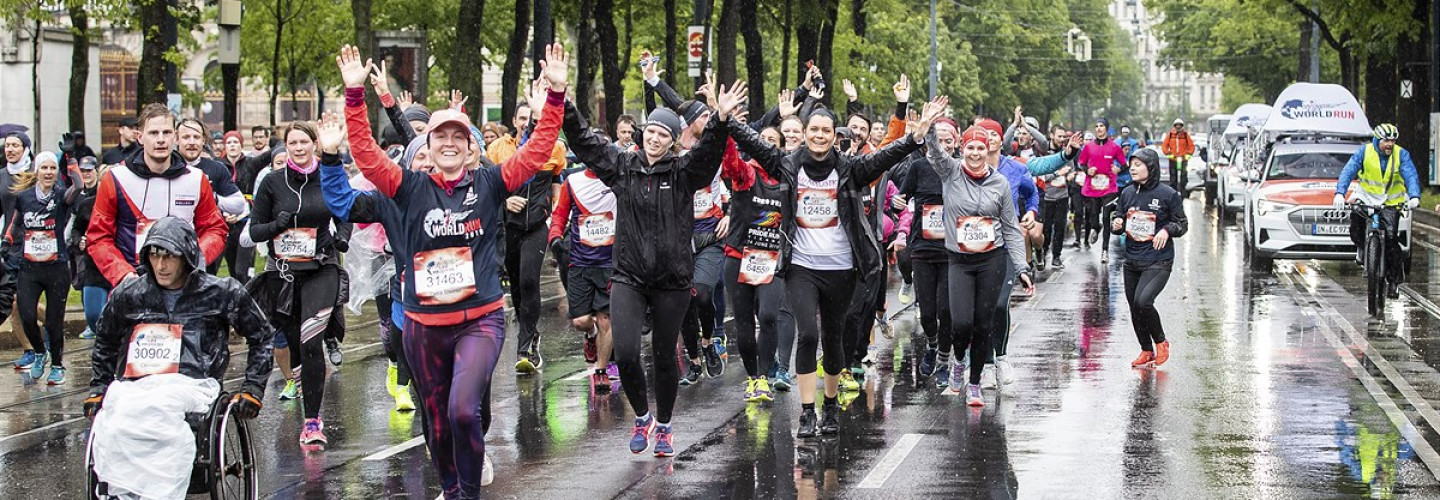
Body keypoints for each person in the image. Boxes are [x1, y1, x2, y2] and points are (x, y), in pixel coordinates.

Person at [337, 41, 568, 496]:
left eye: (456, 138)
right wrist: (353, 96)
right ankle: (453, 489)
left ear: (469, 150)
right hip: (424, 325)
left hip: (479, 320)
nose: (446, 144)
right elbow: (365, 154)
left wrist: (556, 97)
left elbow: (538, 151)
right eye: (438, 137)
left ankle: (470, 491)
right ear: (427, 145)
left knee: (464, 410)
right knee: (437, 421)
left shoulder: (489, 182)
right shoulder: (408, 187)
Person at [728, 79, 943, 437]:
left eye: (826, 130)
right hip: (801, 267)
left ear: (834, 136)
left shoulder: (849, 168)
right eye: (813, 129)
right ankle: (807, 411)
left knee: (833, 337)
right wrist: (727, 120)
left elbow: (884, 156)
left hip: (842, 268)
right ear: (804, 132)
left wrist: (913, 137)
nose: (819, 135)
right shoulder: (786, 164)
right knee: (807, 334)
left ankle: (830, 406)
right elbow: (752, 143)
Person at [565, 69, 733, 455]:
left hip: (672, 280)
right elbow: (586, 142)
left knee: (662, 357)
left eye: (664, 134)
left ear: (673, 141)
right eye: (651, 132)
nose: (655, 138)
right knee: (624, 352)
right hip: (628, 277)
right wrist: (563, 100)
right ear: (643, 135)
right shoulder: (623, 168)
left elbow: (708, 156)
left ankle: (667, 425)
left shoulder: (683, 172)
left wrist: (720, 120)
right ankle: (642, 418)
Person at [84, 216, 274, 461]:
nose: (161, 265)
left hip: (194, 387)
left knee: (167, 412)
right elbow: (106, 341)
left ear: (186, 257)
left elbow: (262, 335)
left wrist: (253, 388)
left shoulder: (221, 293)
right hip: (138, 387)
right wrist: (99, 387)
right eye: (154, 256)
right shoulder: (129, 295)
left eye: (169, 257)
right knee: (117, 418)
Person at [247, 118, 352, 446]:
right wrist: (276, 226)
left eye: (304, 142)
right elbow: (254, 231)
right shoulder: (272, 183)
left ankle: (311, 422)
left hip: (321, 268)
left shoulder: (328, 175)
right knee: (295, 347)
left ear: (315, 144)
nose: (298, 148)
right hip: (284, 273)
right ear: (286, 147)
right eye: (292, 143)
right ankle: (309, 400)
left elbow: (344, 212)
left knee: (310, 342)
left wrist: (341, 240)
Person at [925, 122, 1035, 407]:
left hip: (991, 259)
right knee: (961, 323)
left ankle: (974, 383)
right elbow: (935, 152)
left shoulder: (999, 182)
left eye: (981, 148)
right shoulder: (951, 172)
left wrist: (1022, 268)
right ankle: (958, 361)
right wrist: (928, 128)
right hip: (959, 260)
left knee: (983, 324)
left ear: (989, 151)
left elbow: (1011, 227)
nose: (975, 153)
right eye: (970, 147)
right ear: (963, 149)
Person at [86, 103, 228, 291]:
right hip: (132, 282)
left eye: (167, 133)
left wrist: (194, 259)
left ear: (175, 137)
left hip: (183, 284)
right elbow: (98, 237)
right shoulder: (116, 178)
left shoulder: (196, 179)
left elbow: (215, 229)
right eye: (153, 133)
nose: (161, 139)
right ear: (140, 137)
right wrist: (122, 274)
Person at [6, 151, 82, 384]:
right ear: (36, 171)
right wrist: (6, 242)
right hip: (30, 267)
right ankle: (40, 352)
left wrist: (71, 162)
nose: (48, 172)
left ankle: (58, 365)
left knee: (53, 321)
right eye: (44, 168)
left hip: (56, 267)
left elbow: (77, 186)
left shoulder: (61, 196)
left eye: (51, 168)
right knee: (26, 315)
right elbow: (16, 224)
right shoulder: (25, 197)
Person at [1110, 148, 1187, 367]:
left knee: (1143, 301)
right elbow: (1118, 218)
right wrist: (1116, 224)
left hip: (1158, 260)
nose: (1132, 168)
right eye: (1131, 164)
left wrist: (1166, 230)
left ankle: (1161, 342)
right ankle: (1146, 350)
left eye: (1138, 164)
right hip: (1132, 259)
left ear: (1150, 167)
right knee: (1134, 307)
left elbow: (1182, 224)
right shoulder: (1127, 193)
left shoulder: (1168, 194)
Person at [548, 158, 617, 392]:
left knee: (606, 319)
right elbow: (559, 215)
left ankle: (601, 371)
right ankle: (590, 334)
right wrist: (555, 237)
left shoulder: (617, 178)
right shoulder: (573, 181)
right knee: (581, 321)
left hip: (609, 263)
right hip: (580, 262)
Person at [1334, 123, 1422, 298]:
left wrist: (1414, 196)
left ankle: (1394, 282)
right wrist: (1339, 193)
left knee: (1391, 240)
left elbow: (1410, 175)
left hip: (1391, 202)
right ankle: (1361, 247)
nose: (1390, 144)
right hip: (1366, 198)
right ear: (1377, 140)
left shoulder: (1401, 155)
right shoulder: (1364, 152)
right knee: (1356, 224)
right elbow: (1348, 171)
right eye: (1386, 140)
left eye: (1392, 140)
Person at [69, 157, 108, 340]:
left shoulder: (128, 206)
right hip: (92, 265)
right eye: (105, 182)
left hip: (119, 266)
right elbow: (76, 229)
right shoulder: (87, 205)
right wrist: (80, 241)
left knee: (114, 316)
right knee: (93, 316)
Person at [1076, 118, 1123, 253]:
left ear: (1106, 129)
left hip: (1109, 188)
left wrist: (1118, 169)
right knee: (1093, 216)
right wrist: (1087, 170)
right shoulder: (1089, 146)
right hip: (1092, 188)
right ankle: (1096, 228)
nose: (1098, 128)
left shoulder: (1114, 147)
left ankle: (1105, 250)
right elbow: (1082, 163)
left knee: (1106, 217)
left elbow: (1124, 165)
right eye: (1096, 126)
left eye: (1101, 126)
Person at [1161, 118, 1196, 192]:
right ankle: (1173, 191)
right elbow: (1164, 146)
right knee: (1173, 178)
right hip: (1173, 159)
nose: (1178, 127)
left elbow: (1191, 146)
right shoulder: (1170, 135)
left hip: (1183, 159)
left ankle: (1183, 190)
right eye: (1177, 126)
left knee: (1184, 177)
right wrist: (1169, 154)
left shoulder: (1186, 135)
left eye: (1180, 126)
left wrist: (1188, 155)